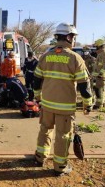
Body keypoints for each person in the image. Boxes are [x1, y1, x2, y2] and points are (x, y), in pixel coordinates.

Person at [33, 23, 93, 176]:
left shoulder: (45, 56)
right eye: (73, 37)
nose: (73, 40)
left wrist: (37, 97)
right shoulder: (75, 58)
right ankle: (60, 166)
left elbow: (36, 80)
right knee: (63, 135)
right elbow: (84, 86)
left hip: (46, 104)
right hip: (64, 107)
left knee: (45, 130)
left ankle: (40, 157)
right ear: (68, 37)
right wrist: (88, 104)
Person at [92, 39, 105, 109]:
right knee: (99, 90)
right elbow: (99, 65)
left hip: (101, 76)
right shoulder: (100, 53)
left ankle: (99, 104)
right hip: (98, 76)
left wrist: (100, 74)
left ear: (99, 46)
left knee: (99, 90)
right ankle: (102, 103)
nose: (95, 47)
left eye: (96, 46)